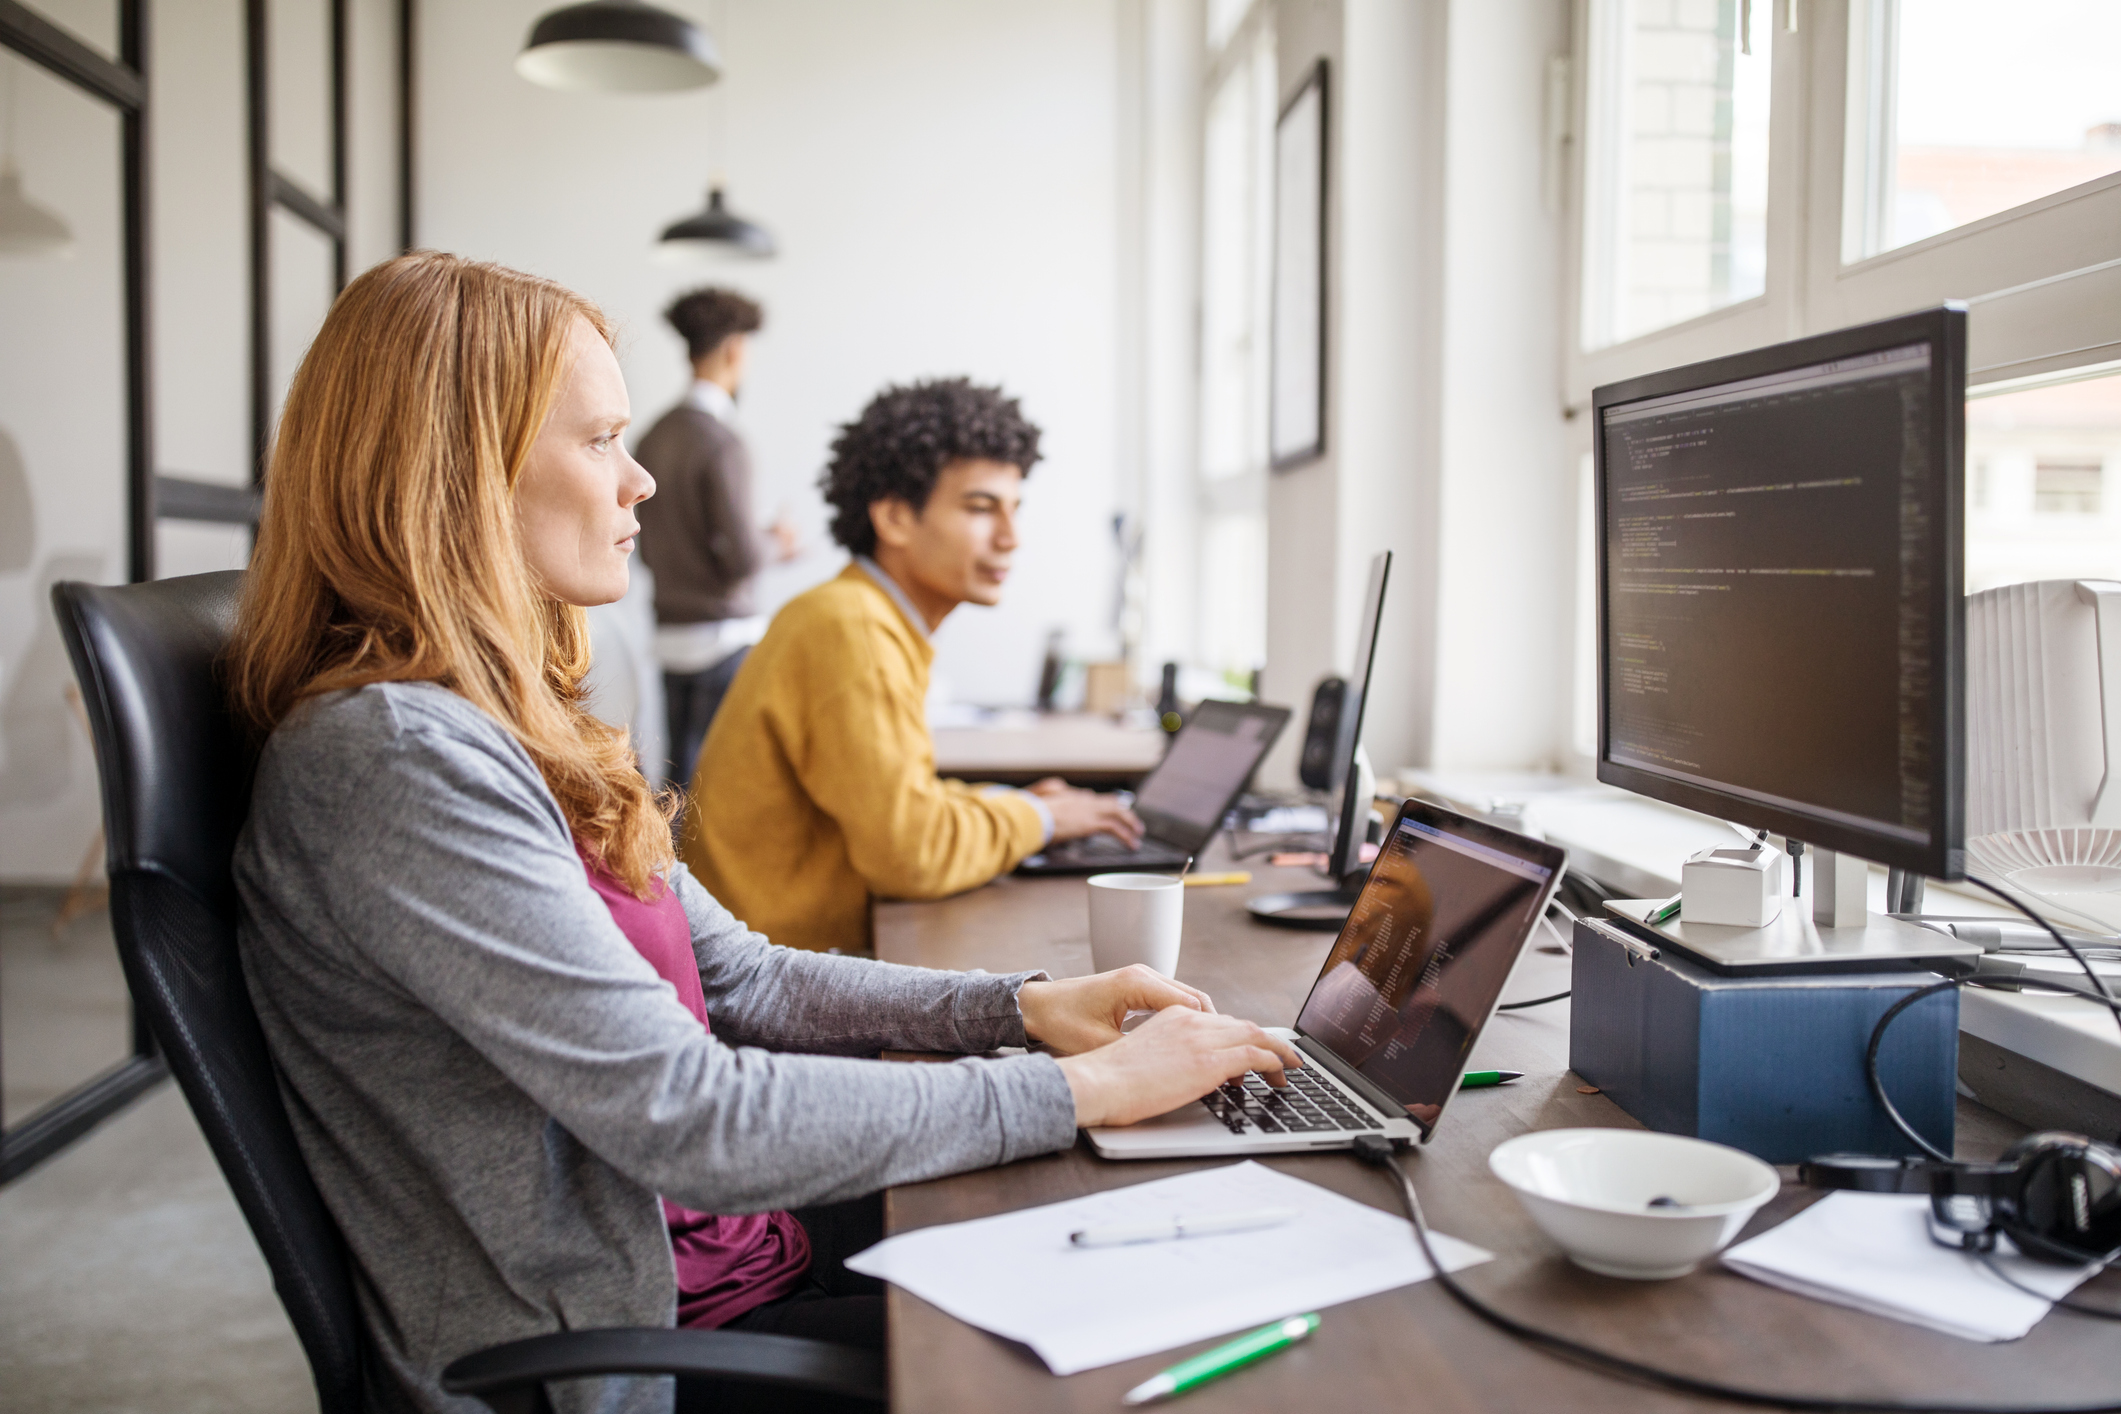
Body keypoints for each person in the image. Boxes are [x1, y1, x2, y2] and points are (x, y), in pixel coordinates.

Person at [225, 252, 1297, 1414]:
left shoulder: (509, 722)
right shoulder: (395, 757)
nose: (639, 482)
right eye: (598, 442)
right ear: (457, 473)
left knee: (1147, 1236)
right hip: (624, 1351)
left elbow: (742, 974)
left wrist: (1023, 1009)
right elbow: (691, 1114)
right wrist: (1083, 1087)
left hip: (722, 1256)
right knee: (1140, 1355)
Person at [681, 379, 1143, 955]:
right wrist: (1037, 820)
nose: (1011, 537)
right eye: (981, 508)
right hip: (775, 979)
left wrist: (1015, 806)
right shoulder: (853, 629)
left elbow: (900, 801)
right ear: (895, 517)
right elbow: (912, 854)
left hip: (778, 956)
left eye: (1014, 509)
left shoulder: (854, 612)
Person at [633, 286, 798, 789]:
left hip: (668, 634)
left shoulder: (652, 435)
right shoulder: (722, 441)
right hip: (725, 639)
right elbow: (744, 558)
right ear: (735, 350)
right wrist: (779, 542)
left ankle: (667, 869)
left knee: (676, 783)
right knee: (721, 787)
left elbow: (642, 544)